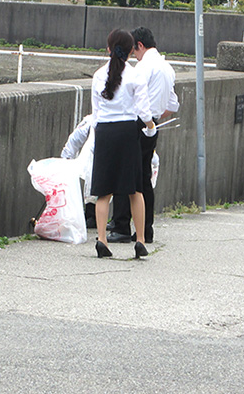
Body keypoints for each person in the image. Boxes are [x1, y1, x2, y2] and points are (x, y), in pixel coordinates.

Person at [107, 27, 179, 244]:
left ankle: (120, 225)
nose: (133, 55)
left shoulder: (144, 66)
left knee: (124, 175)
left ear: (139, 45)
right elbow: (173, 104)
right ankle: (146, 230)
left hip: (136, 123)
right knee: (144, 179)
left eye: (134, 50)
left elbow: (132, 96)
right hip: (153, 125)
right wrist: (154, 119)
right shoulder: (167, 67)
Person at [90, 29, 156, 259]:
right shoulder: (135, 75)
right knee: (135, 190)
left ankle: (101, 239)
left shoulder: (99, 75)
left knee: (103, 192)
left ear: (109, 48)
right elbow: (144, 109)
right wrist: (150, 127)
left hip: (105, 132)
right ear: (130, 50)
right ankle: (139, 240)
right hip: (128, 131)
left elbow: (95, 113)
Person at [60, 113, 97, 229]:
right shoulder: (92, 120)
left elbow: (75, 139)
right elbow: (76, 138)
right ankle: (92, 215)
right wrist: (66, 159)